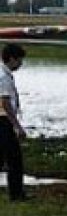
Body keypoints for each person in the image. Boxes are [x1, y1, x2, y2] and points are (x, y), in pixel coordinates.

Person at [0, 43, 28, 201]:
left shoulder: (3, 73)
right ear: (11, 59)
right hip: (3, 121)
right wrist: (17, 126)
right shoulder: (4, 77)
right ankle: (16, 194)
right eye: (19, 61)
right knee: (14, 159)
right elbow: (5, 102)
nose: (20, 64)